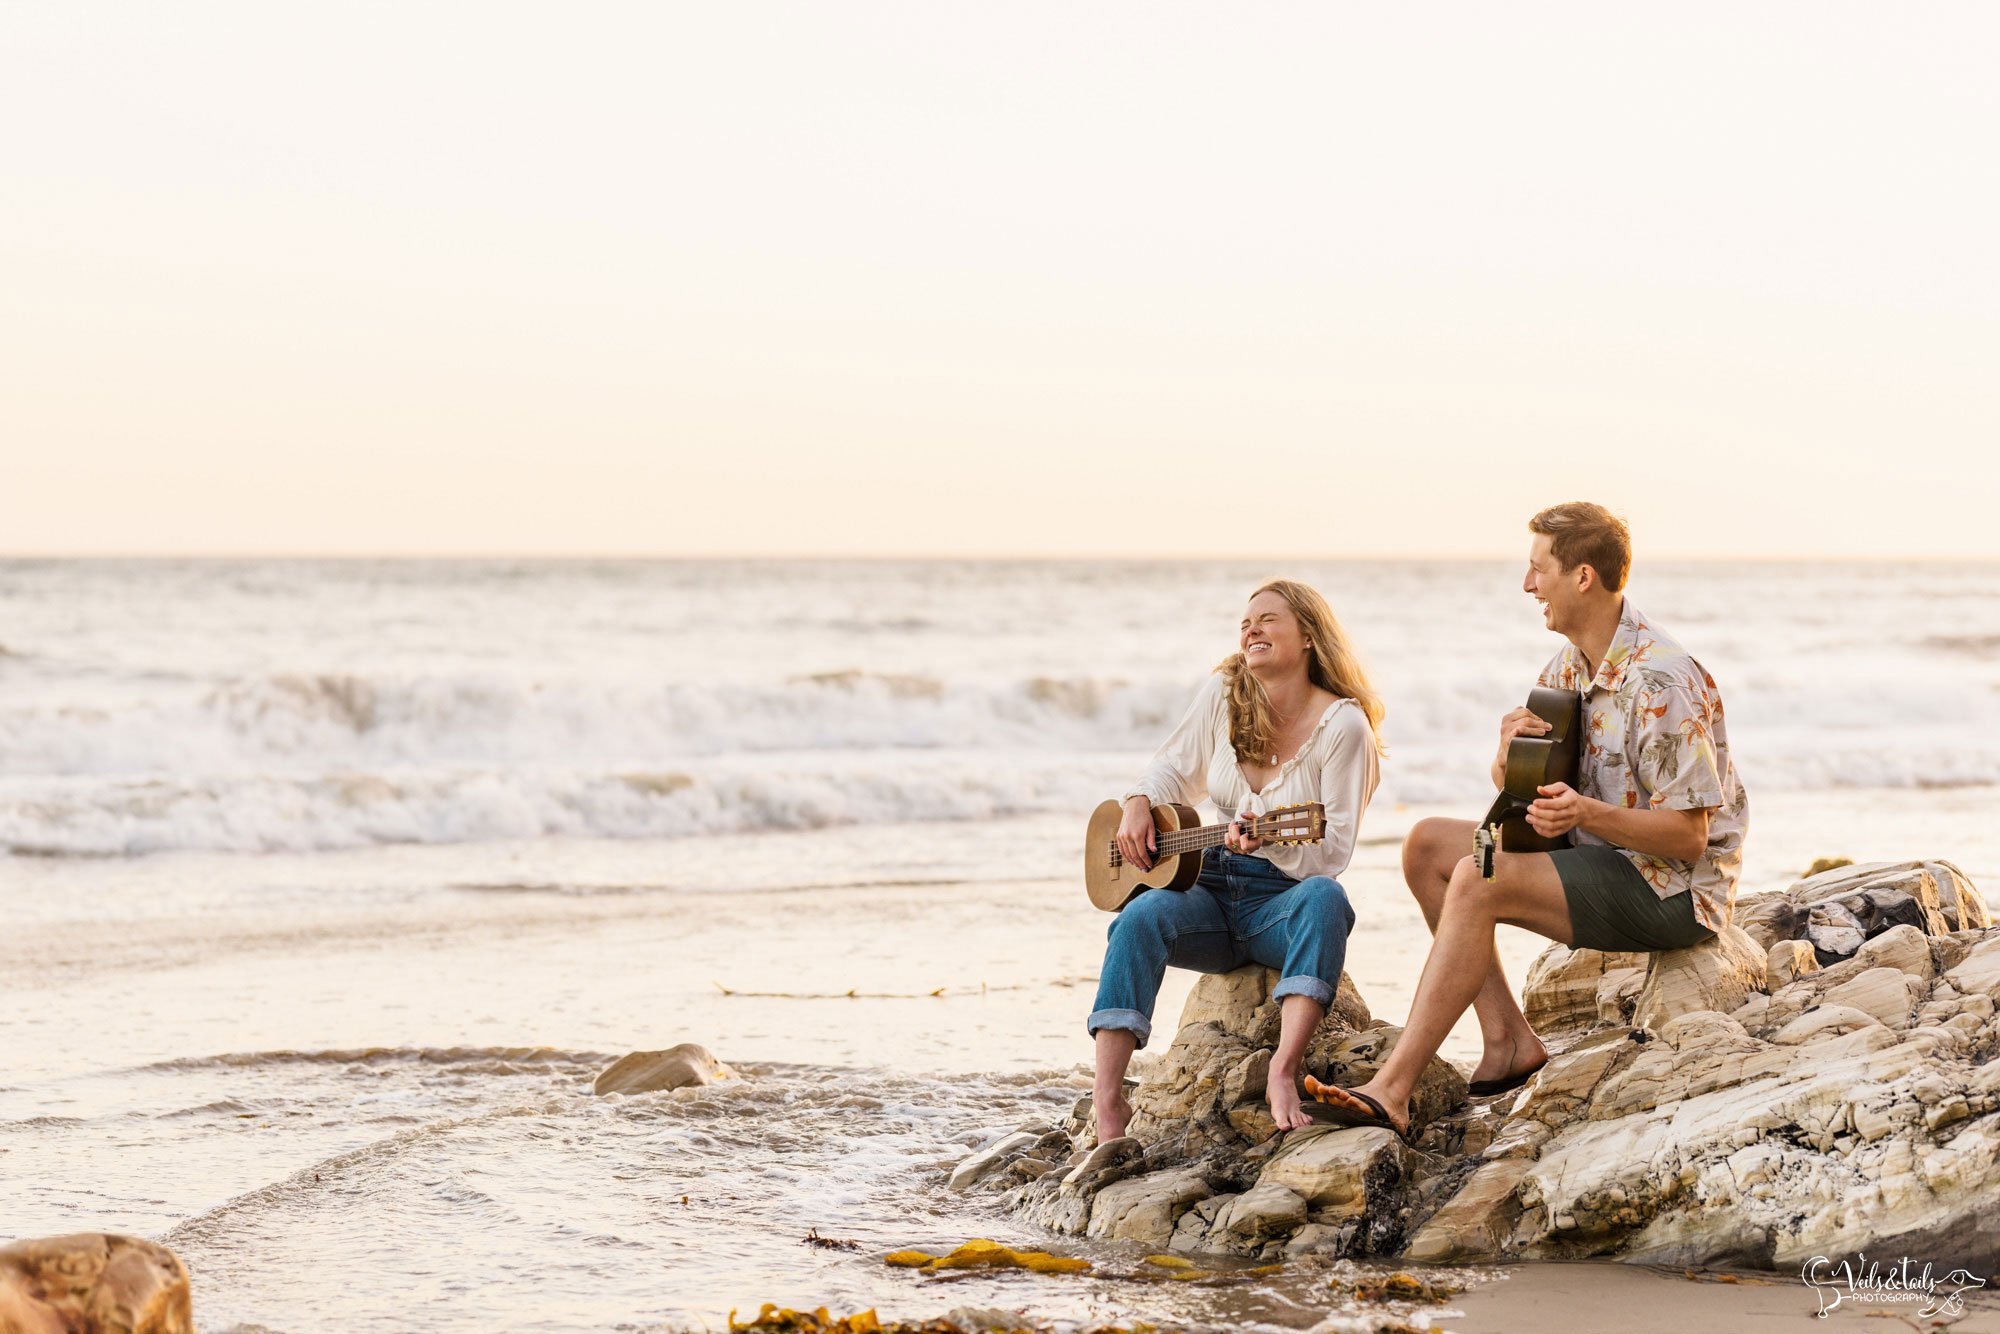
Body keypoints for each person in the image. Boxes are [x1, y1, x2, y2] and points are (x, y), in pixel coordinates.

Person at [1311, 502, 1749, 1135]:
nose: (1527, 585)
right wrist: (1506, 756)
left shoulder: (1661, 680)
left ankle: (1393, 1088)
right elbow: (1526, 794)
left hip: (1674, 891)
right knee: (1428, 848)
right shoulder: (1567, 667)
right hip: (1599, 855)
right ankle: (1508, 1039)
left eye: (1538, 568)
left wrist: (1586, 812)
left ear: (1583, 577)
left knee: (1476, 879)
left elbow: (1689, 836)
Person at [1088, 578, 1384, 1141]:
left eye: (1268, 619)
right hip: (1209, 889)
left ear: (1309, 637)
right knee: (1138, 918)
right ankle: (1108, 1105)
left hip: (1281, 900)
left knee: (1328, 900)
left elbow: (1334, 850)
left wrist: (1267, 843)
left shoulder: (1344, 727)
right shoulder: (1226, 692)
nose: (1251, 629)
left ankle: (1282, 1069)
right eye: (1246, 622)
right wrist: (1138, 802)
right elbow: (1173, 767)